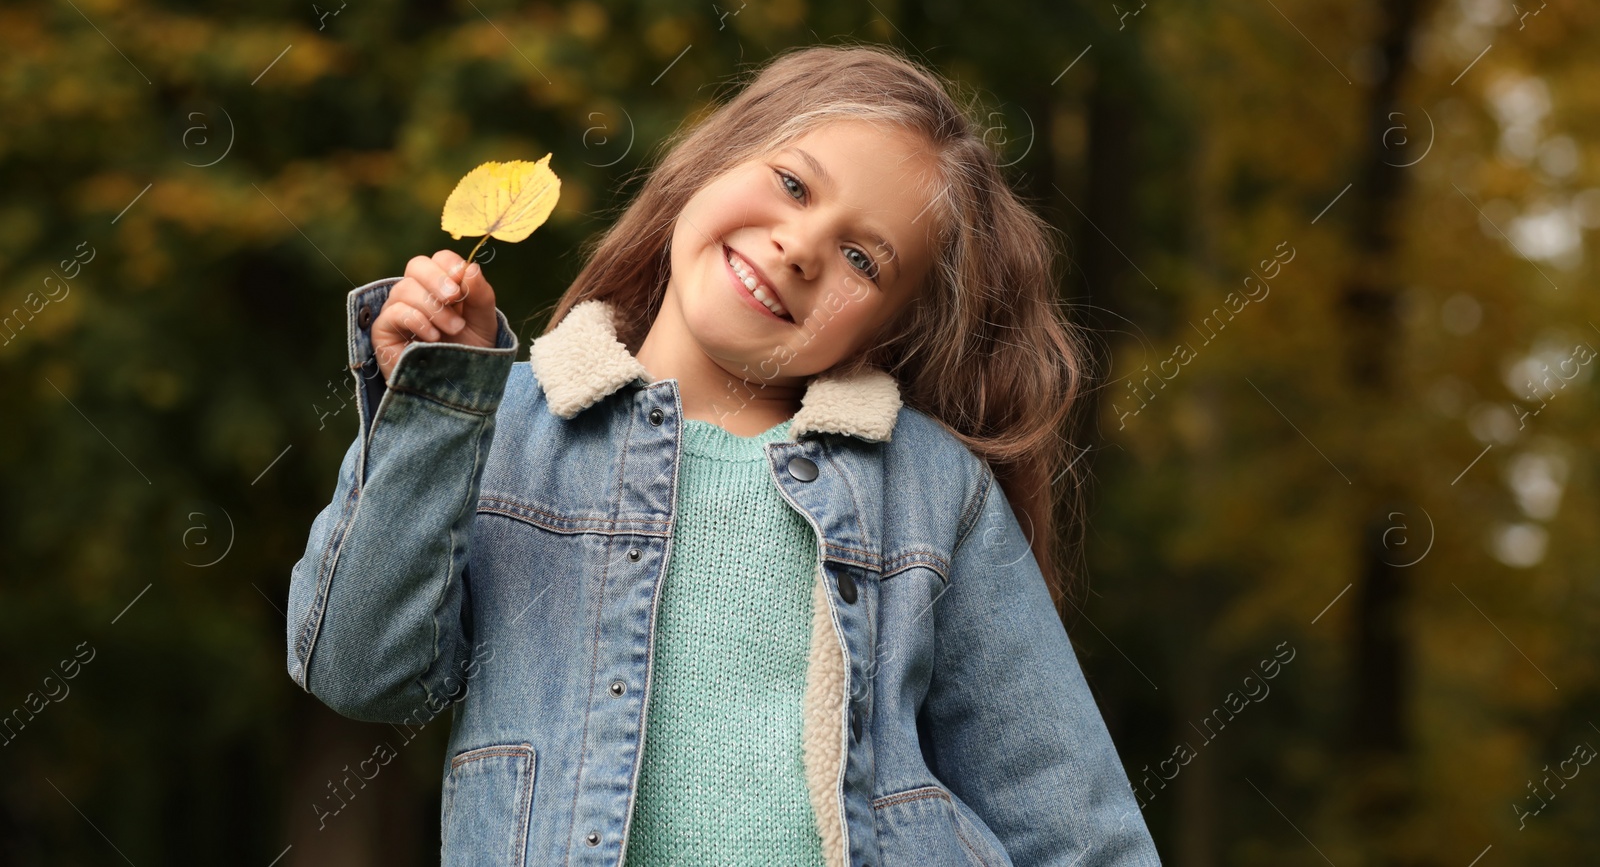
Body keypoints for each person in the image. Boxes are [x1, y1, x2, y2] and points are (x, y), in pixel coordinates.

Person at [285, 43, 1163, 866]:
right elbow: (359, 668)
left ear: (889, 328)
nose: (801, 247)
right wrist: (436, 405)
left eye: (862, 257)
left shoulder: (931, 487)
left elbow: (1076, 824)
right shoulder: (507, 429)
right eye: (791, 183)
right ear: (709, 162)